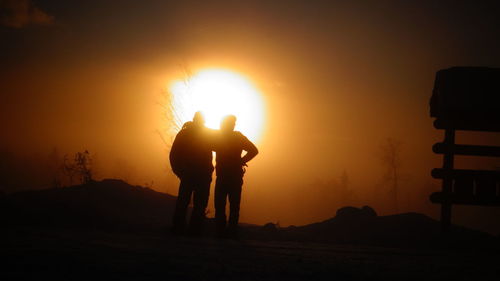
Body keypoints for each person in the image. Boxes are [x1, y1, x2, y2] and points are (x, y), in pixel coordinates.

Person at [169, 112, 215, 235]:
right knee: (190, 203)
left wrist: (179, 171)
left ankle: (188, 229)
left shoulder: (205, 134)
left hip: (196, 175)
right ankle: (188, 230)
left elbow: (173, 155)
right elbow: (174, 155)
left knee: (192, 203)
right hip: (191, 175)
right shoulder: (188, 134)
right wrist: (179, 172)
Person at [214, 115, 258, 238]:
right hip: (232, 176)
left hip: (225, 176)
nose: (233, 125)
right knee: (232, 206)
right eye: (232, 123)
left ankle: (221, 232)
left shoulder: (219, 137)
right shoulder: (236, 137)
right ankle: (230, 232)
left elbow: (254, 150)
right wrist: (241, 161)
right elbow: (254, 150)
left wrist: (241, 161)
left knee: (222, 205)